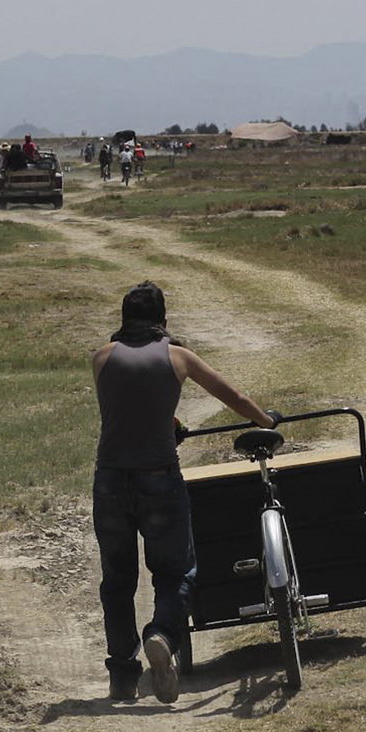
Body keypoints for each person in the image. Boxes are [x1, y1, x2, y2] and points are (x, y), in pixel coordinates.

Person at [92, 281, 278, 703]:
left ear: (123, 320)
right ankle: (161, 634)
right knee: (177, 572)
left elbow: (129, 408)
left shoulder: (102, 358)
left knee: (117, 580)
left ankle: (122, 675)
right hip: (159, 478)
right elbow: (234, 396)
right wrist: (265, 421)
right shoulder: (178, 357)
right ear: (162, 320)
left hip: (110, 481)